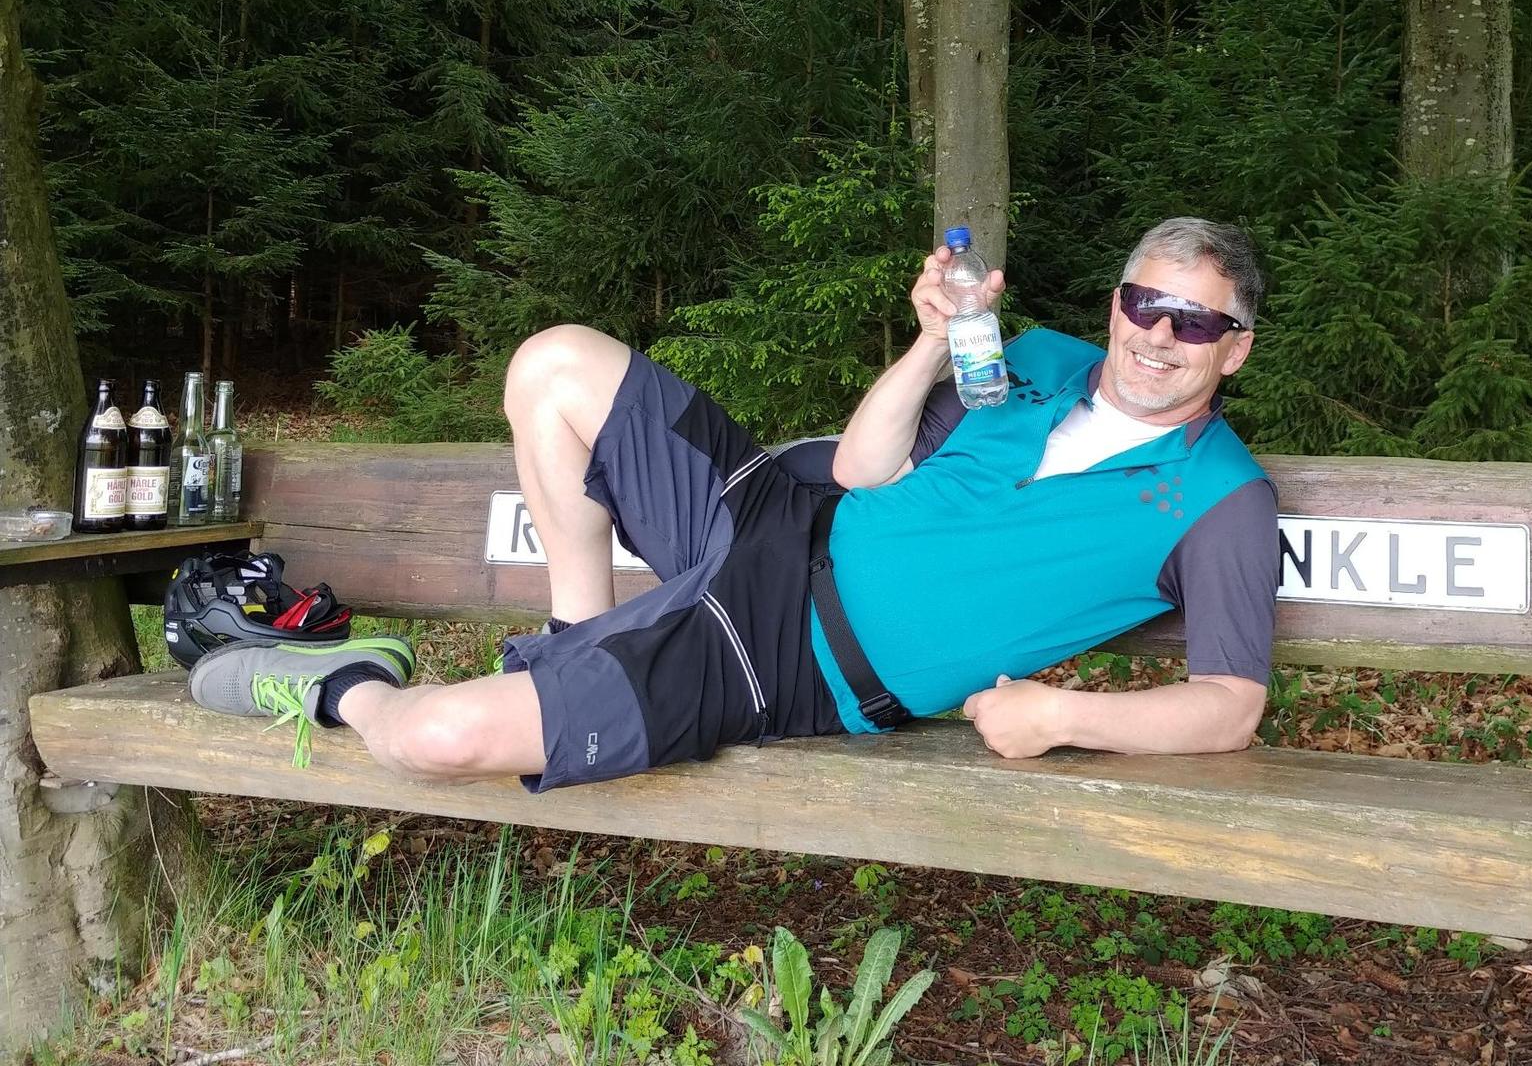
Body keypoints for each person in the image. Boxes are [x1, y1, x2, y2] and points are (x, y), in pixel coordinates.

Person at [190, 217, 1282, 786]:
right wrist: (930, 344)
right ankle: (576, 638)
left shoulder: (1220, 499)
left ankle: (341, 684)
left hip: (789, 661)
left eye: (1195, 322)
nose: (1159, 335)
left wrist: (1063, 718)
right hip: (777, 516)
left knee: (432, 736)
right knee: (554, 363)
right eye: (1145, 303)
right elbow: (861, 470)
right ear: (1115, 303)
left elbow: (1230, 705)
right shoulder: (1031, 357)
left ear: (1232, 349)